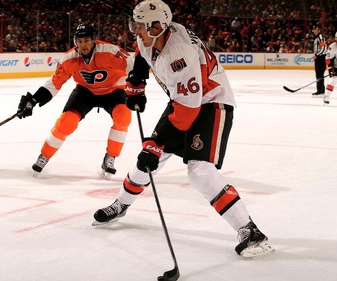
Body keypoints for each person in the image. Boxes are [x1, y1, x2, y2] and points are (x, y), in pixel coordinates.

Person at [93, 0, 274, 258]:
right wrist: (136, 82)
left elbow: (188, 109)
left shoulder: (179, 55)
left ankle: (250, 231)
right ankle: (121, 204)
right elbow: (142, 52)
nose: (136, 31)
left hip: (211, 102)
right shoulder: (153, 36)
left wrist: (155, 146)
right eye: (135, 24)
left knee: (199, 170)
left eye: (140, 26)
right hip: (185, 101)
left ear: (157, 26)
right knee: (146, 160)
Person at [17, 23, 133, 178]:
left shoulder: (110, 52)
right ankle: (44, 156)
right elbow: (55, 83)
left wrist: (137, 87)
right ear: (75, 42)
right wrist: (33, 99)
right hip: (85, 91)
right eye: (79, 41)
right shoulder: (69, 58)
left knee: (123, 116)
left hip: (113, 90)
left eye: (86, 40)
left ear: (93, 40)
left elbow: (132, 66)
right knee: (67, 122)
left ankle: (110, 158)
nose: (83, 45)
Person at [311, 25, 327, 96]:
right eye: (314, 29)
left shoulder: (320, 37)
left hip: (321, 58)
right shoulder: (316, 37)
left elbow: (324, 48)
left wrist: (316, 55)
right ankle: (320, 90)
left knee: (320, 74)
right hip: (318, 58)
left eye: (317, 29)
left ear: (319, 30)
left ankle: (320, 91)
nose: (315, 31)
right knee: (318, 75)